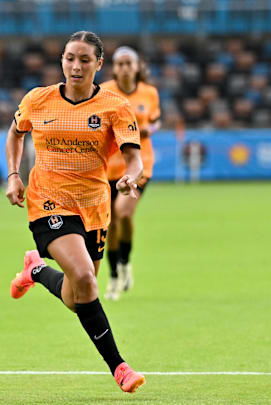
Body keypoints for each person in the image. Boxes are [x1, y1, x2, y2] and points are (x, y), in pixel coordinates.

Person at [6, 31, 146, 393]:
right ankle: (120, 367)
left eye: (85, 59)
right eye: (70, 58)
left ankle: (35, 270)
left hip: (94, 207)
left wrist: (131, 178)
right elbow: (15, 133)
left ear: (99, 64)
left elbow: (134, 157)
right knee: (84, 276)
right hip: (47, 201)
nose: (76, 65)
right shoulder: (38, 99)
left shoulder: (115, 106)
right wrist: (13, 175)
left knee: (77, 293)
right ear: (62, 61)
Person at [101, 46, 161, 300]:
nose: (125, 68)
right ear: (114, 68)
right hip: (109, 166)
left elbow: (156, 120)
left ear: (137, 67)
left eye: (129, 63)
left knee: (123, 212)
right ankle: (115, 274)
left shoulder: (149, 93)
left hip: (139, 164)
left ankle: (125, 263)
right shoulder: (104, 92)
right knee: (110, 223)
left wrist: (150, 130)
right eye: (120, 64)